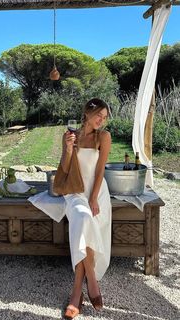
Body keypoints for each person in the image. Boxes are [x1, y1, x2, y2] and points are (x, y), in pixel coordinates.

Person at [62, 98, 112, 319]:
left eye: (105, 117)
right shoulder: (73, 135)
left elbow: (100, 171)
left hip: (97, 192)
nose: (102, 120)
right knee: (83, 219)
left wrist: (94, 198)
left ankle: (76, 293)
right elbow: (64, 168)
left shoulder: (104, 137)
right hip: (74, 191)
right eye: (99, 115)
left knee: (85, 222)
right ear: (87, 113)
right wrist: (67, 147)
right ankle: (91, 278)